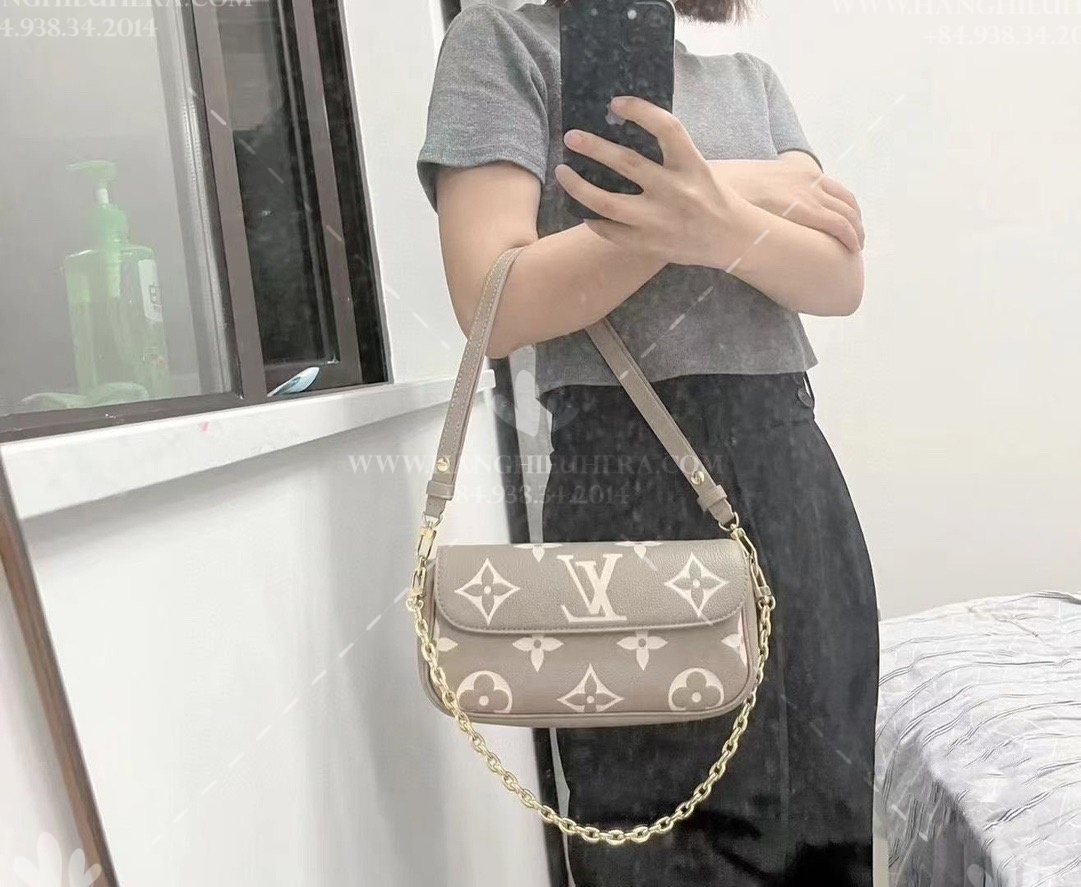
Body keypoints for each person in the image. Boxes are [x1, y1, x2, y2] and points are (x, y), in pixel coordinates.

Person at [417, 2, 878, 884]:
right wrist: (734, 190)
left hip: (792, 468)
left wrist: (708, 220)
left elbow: (837, 277)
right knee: (657, 834)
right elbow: (492, 299)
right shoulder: (501, 45)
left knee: (824, 814)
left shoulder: (749, 81)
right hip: (626, 477)